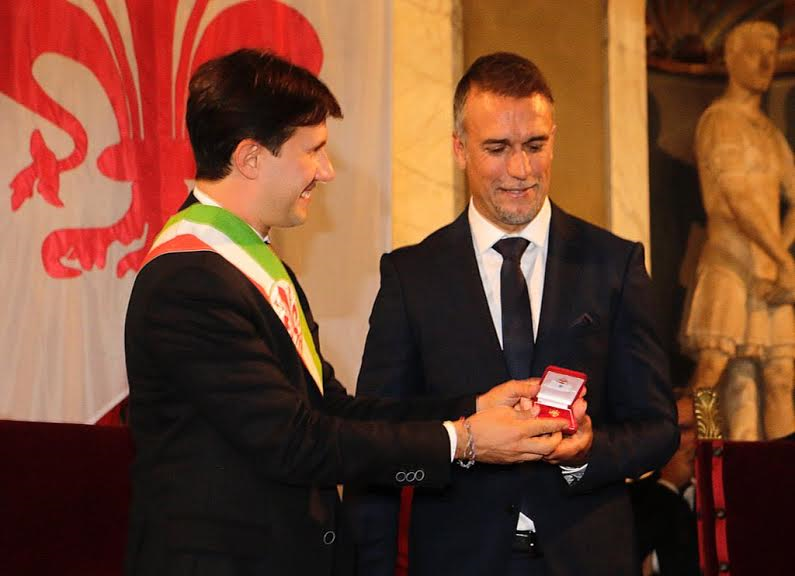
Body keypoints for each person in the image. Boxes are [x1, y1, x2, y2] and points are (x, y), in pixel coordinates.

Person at [124, 49, 575, 576]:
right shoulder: (190, 281)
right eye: (312, 151)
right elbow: (297, 441)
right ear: (250, 158)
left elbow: (332, 410)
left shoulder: (251, 264)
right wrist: (465, 441)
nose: (327, 171)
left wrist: (471, 409)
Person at [347, 52, 678, 576]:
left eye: (535, 146)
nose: (520, 170)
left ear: (553, 140)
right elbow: (378, 436)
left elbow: (657, 428)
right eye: (498, 148)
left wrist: (586, 453)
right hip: (459, 562)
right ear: (460, 149)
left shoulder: (614, 265)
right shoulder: (412, 276)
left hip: (588, 558)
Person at [680, 21, 795, 440]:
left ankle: (779, 471)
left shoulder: (770, 134)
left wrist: (780, 257)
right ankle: (704, 455)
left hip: (769, 271)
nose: (766, 63)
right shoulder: (719, 121)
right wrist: (783, 258)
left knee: (779, 377)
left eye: (771, 53)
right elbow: (736, 198)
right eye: (754, 52)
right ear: (730, 59)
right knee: (713, 370)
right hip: (729, 260)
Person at [630, 389, 699, 576]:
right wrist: (669, 484)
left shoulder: (721, 488)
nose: (674, 438)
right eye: (669, 430)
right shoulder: (637, 493)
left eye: (685, 429)